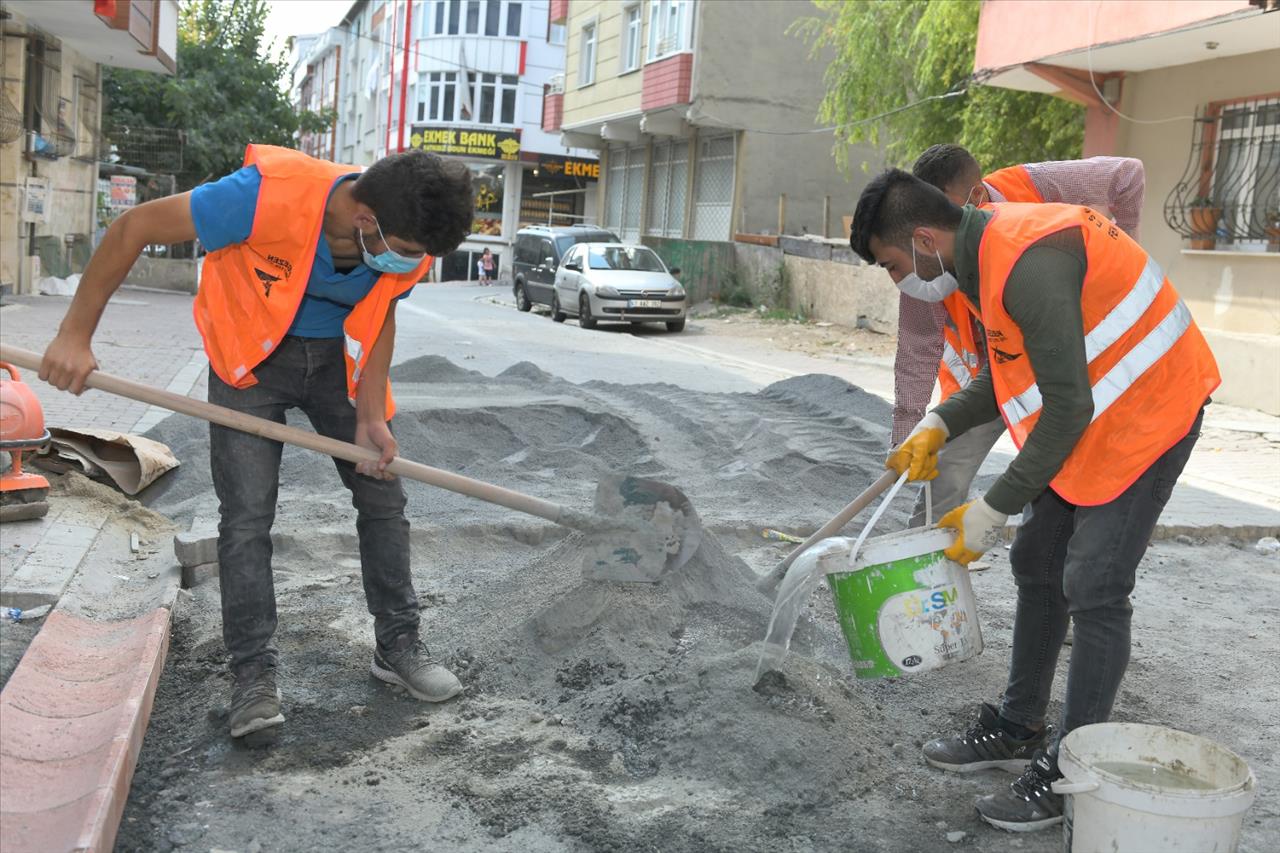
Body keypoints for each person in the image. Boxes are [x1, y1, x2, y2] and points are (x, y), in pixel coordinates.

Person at [40, 144, 475, 742]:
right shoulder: (264, 196)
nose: (411, 264)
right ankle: (252, 675)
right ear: (365, 218)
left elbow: (382, 315)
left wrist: (372, 415)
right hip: (251, 361)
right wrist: (74, 334)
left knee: (383, 497)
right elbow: (134, 226)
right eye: (404, 253)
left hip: (336, 367)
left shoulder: (408, 236)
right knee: (246, 518)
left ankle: (397, 645)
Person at [850, 169, 1218, 833]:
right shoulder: (983, 261)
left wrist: (993, 505)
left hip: (1152, 407)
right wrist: (942, 421)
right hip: (1101, 410)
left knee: (1095, 582)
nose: (897, 278)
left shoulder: (1026, 261)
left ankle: (1074, 770)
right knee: (1037, 561)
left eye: (893, 263)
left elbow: (1068, 403)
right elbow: (1011, 370)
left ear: (926, 238)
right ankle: (1020, 726)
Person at [894, 145, 1145, 526]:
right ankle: (924, 561)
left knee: (1056, 472)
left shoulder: (1031, 187)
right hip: (988, 377)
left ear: (977, 195)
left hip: (1061, 352)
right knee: (947, 472)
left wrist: (1127, 259)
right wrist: (908, 435)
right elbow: (917, 347)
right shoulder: (925, 247)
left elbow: (1126, 173)